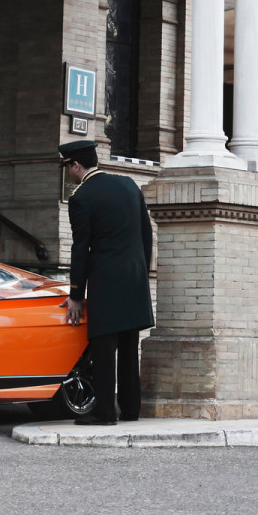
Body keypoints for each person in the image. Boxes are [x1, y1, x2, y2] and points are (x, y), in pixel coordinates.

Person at [59, 138, 154, 426]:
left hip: (106, 283)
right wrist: (141, 271)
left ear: (76, 166)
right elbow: (146, 234)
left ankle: (104, 412)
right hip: (135, 280)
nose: (68, 173)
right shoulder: (128, 184)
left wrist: (76, 293)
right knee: (128, 348)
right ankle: (130, 409)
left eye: (68, 168)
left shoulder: (81, 198)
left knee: (103, 349)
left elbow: (81, 249)